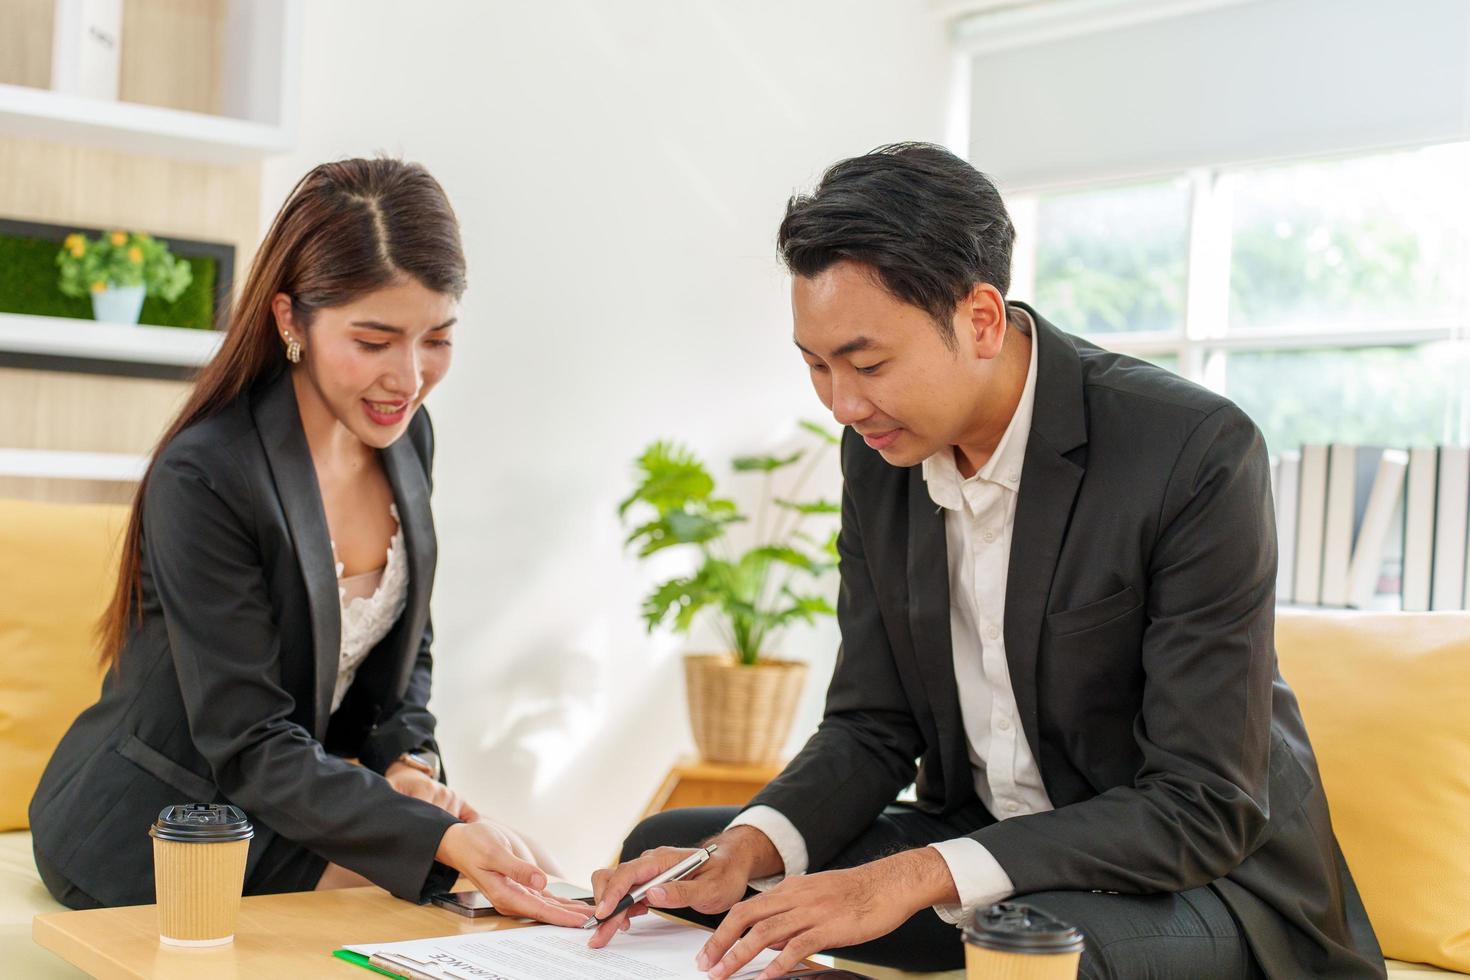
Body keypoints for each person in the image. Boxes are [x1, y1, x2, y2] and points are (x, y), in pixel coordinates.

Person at [588, 143, 1385, 979]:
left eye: (867, 364)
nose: (843, 404)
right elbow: (872, 725)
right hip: (988, 858)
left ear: (980, 320)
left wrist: (914, 875)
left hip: (1202, 884)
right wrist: (746, 847)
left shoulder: (1192, 451)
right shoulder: (880, 453)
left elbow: (1201, 805)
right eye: (816, 367)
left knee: (1041, 952)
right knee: (680, 864)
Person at [30, 158, 588, 927]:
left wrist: (407, 765)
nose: (410, 377)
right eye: (375, 340)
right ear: (291, 320)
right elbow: (250, 739)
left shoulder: (405, 437)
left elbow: (405, 650)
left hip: (291, 801)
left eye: (437, 339)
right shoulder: (206, 475)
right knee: (465, 901)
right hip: (165, 817)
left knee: (542, 877)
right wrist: (438, 838)